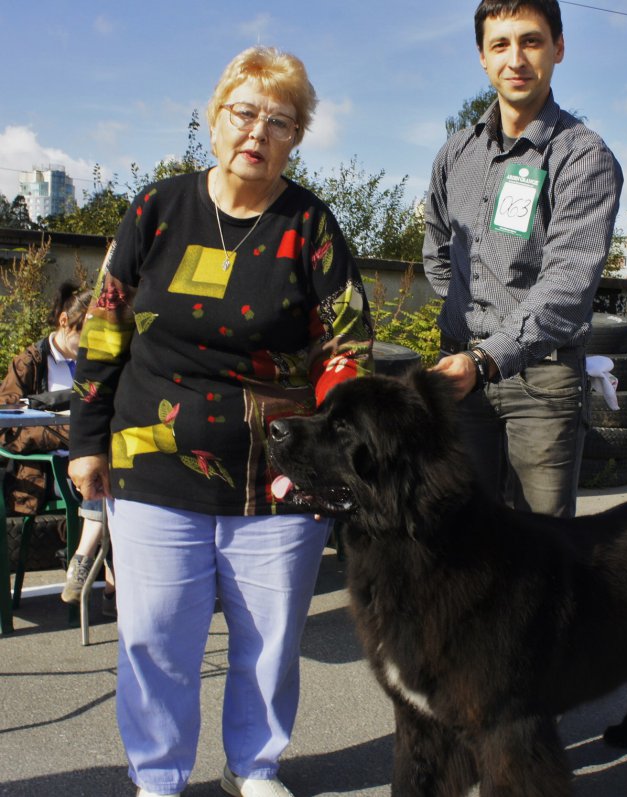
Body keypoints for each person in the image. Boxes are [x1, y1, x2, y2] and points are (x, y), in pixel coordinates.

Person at [67, 46, 372, 797]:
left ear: (297, 137)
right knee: (156, 636)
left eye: (280, 120)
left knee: (268, 641)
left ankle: (256, 765)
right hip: (152, 454)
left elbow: (348, 343)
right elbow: (104, 328)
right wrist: (84, 440)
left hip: (276, 469)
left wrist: (338, 427)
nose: (258, 133)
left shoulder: (310, 225)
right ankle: (159, 776)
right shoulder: (157, 208)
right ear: (214, 118)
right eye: (244, 113)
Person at [423, 0, 624, 518]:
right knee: (462, 542)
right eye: (501, 45)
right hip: (461, 378)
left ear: (558, 48)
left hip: (541, 380)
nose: (516, 58)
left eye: (531, 41)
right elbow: (438, 253)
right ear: (482, 58)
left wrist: (490, 354)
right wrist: (470, 325)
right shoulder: (456, 155)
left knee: (539, 552)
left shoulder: (581, 156)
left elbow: (567, 287)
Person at [0, 281, 114, 613]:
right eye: (86, 336)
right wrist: (63, 431)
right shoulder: (29, 363)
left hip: (92, 459)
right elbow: (8, 431)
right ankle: (110, 588)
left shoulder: (100, 363)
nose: (91, 345)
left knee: (114, 476)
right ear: (64, 322)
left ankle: (86, 562)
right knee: (106, 479)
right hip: (45, 470)